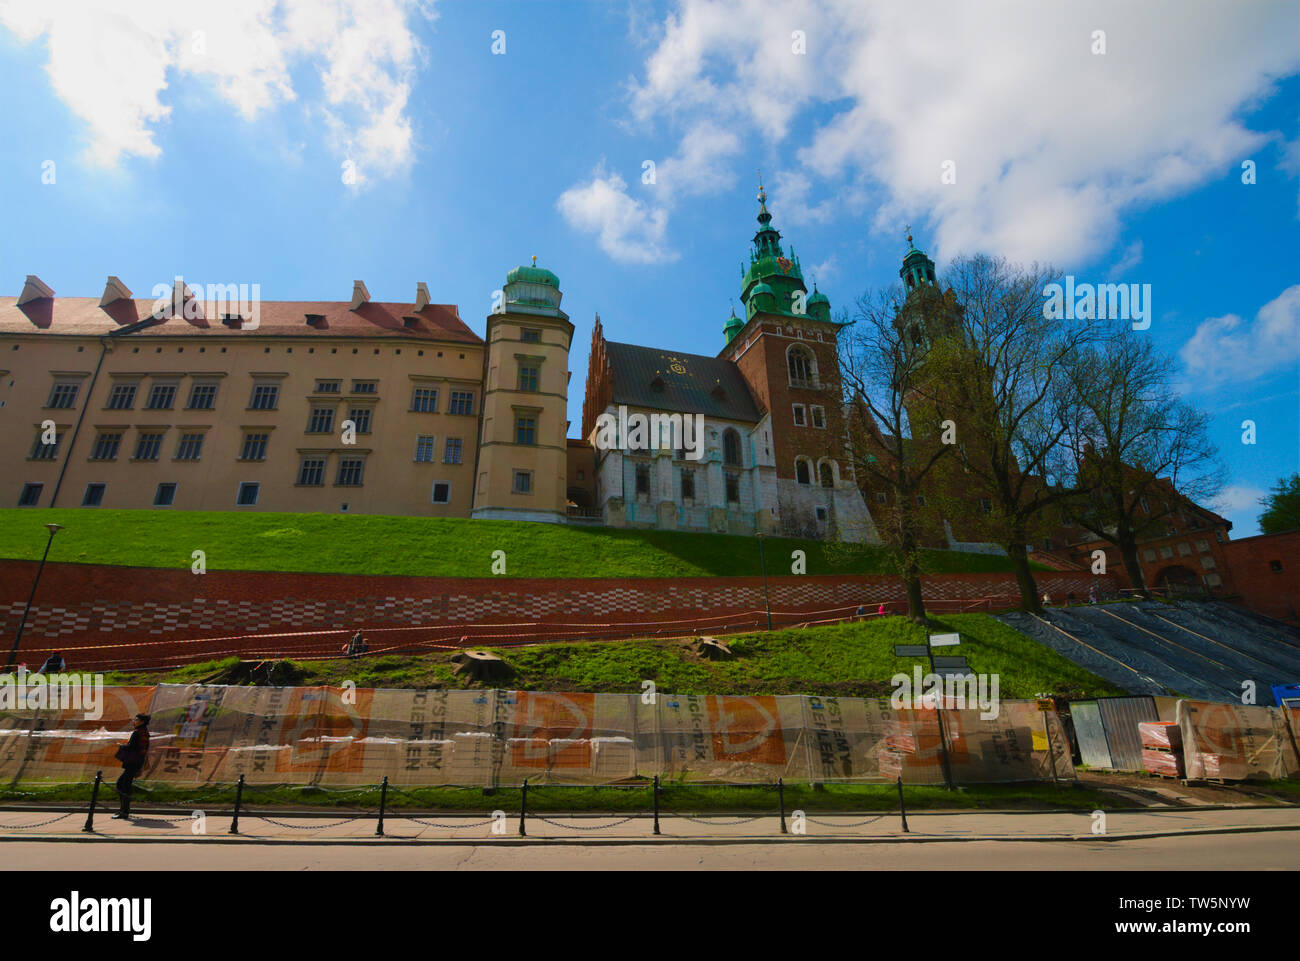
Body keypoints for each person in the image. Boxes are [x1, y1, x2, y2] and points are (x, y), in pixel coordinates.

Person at [113, 713, 151, 820]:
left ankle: (124, 811)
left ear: (142, 722)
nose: (134, 721)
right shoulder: (145, 732)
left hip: (132, 763)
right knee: (124, 785)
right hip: (138, 762)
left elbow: (131, 747)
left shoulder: (137, 733)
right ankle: (123, 810)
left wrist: (121, 746)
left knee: (123, 785)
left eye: (136, 720)